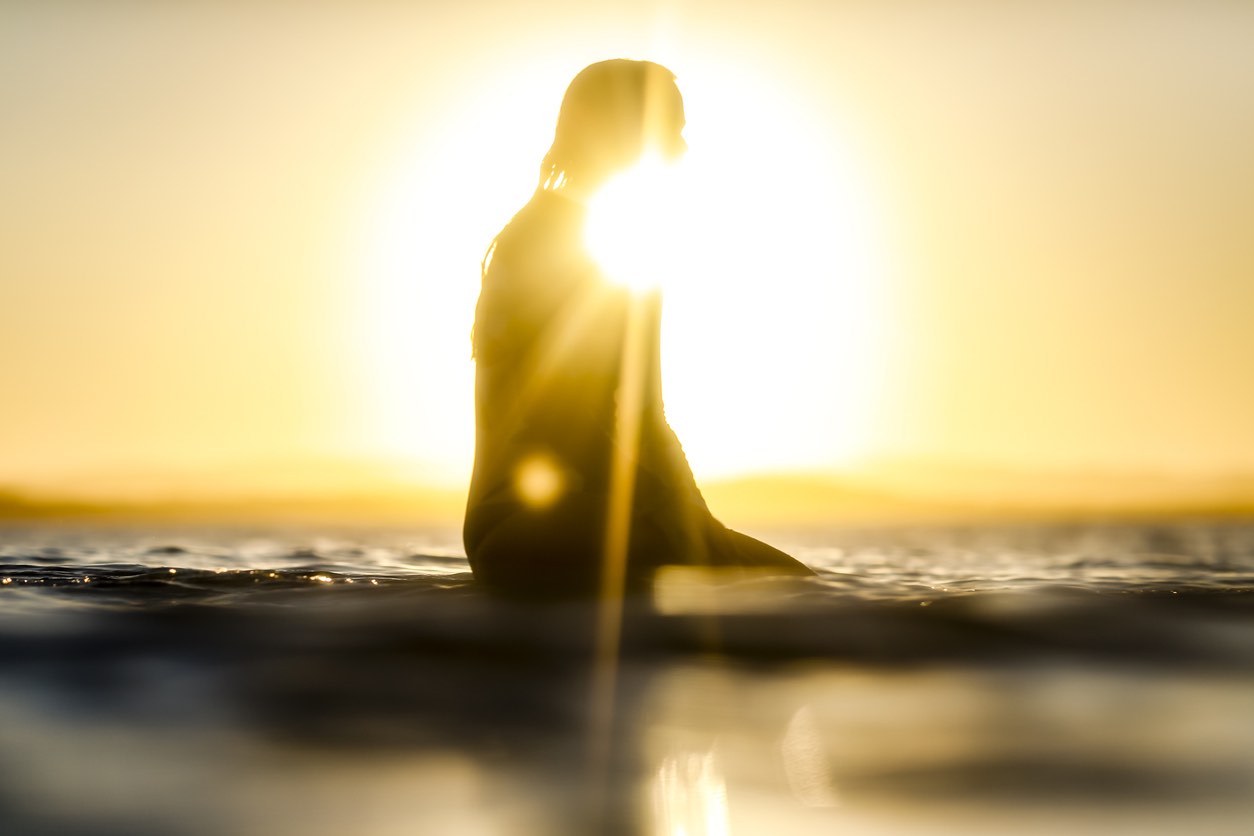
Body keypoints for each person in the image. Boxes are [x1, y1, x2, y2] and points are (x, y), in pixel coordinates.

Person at [464, 59, 812, 597]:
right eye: (673, 130)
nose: (683, 148)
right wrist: (680, 523)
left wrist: (697, 522)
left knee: (786, 585)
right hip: (549, 524)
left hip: (521, 526)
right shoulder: (569, 244)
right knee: (793, 595)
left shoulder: (604, 244)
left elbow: (647, 418)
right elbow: (572, 423)